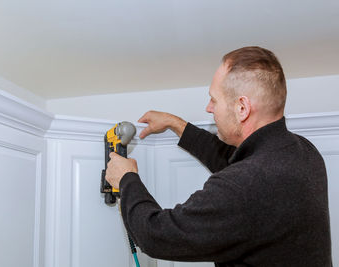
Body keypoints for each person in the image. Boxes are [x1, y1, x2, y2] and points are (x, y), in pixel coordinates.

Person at [105, 46, 332, 266]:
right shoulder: (303, 152)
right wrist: (176, 124)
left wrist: (127, 180)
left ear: (242, 108)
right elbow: (234, 161)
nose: (208, 108)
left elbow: (155, 235)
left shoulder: (244, 186)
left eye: (214, 99)